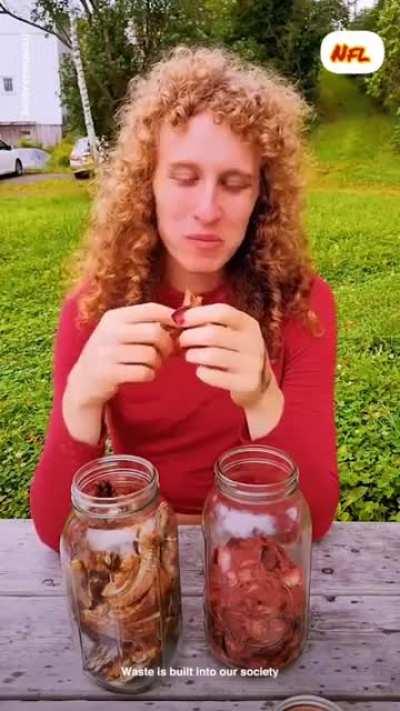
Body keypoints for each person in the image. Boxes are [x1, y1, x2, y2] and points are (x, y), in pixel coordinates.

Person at [30, 45, 340, 552]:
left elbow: (317, 515)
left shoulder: (301, 305)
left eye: (235, 184)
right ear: (145, 182)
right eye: (184, 177)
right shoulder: (96, 308)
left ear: (261, 197)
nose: (207, 210)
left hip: (252, 542)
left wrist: (262, 396)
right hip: (142, 544)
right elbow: (53, 528)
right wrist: (83, 394)